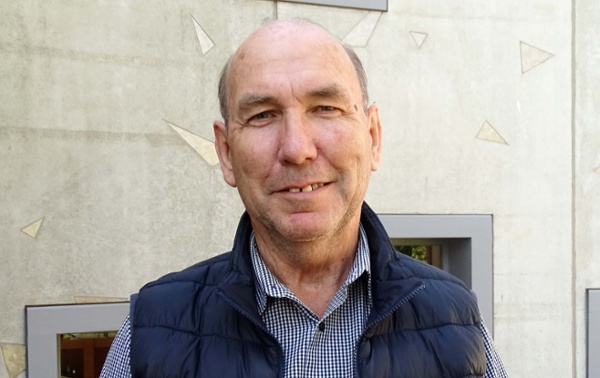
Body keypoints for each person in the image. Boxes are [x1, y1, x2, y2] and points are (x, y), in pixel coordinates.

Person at [101, 18, 507, 377]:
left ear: (372, 137)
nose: (297, 148)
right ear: (226, 153)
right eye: (263, 115)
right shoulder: (148, 334)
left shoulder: (457, 320)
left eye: (325, 108)